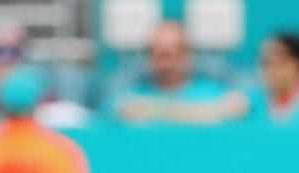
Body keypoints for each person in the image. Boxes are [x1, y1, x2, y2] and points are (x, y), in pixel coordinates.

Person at [102, 20, 248, 125]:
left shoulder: (216, 93)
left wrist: (151, 110)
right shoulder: (129, 97)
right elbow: (111, 111)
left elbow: (237, 110)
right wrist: (207, 112)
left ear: (188, 55)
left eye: (174, 53)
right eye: (158, 54)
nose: (166, 63)